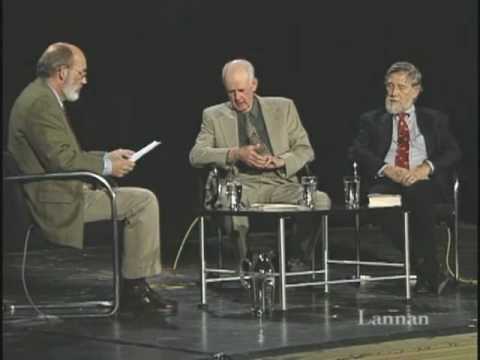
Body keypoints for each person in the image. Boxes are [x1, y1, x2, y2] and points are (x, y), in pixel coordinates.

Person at [7, 42, 176, 313]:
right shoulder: (40, 103)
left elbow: (66, 153)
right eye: (81, 73)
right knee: (142, 202)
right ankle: (134, 289)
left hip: (62, 192)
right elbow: (63, 160)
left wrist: (109, 155)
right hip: (56, 203)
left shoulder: (42, 96)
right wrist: (108, 166)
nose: (85, 80)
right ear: (62, 72)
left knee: (132, 197)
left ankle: (133, 285)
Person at [189, 59, 331, 269]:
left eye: (242, 90)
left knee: (320, 201)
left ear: (254, 85)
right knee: (229, 203)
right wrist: (236, 154)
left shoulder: (283, 107)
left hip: (281, 184)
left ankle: (295, 257)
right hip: (241, 185)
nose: (237, 98)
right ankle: (246, 263)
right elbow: (196, 155)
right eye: (231, 92)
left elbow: (306, 150)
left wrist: (281, 160)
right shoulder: (213, 115)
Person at [349, 61, 461, 295]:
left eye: (401, 87)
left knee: (417, 194)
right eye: (389, 86)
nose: (393, 93)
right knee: (380, 203)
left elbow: (453, 151)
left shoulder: (434, 119)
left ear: (416, 90)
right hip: (388, 180)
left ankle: (425, 270)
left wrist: (425, 168)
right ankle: (430, 271)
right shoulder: (371, 119)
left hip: (423, 182)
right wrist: (387, 168)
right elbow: (357, 150)